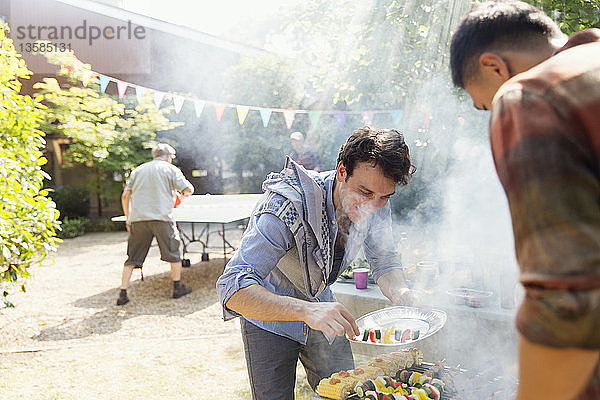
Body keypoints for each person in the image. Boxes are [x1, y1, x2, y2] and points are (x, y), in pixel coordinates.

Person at [450, 2, 600, 398]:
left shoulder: (530, 96)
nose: (492, 112)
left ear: (494, 66)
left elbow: (566, 298)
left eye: (485, 103)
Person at [217, 126, 419, 399]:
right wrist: (306, 311)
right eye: (365, 192)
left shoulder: (376, 199)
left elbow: (384, 261)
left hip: (322, 305)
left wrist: (401, 293)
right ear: (341, 171)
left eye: (384, 197)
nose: (373, 205)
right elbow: (232, 288)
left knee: (349, 391)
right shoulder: (287, 205)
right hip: (268, 314)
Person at [117, 143, 194, 306]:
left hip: (138, 220)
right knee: (174, 253)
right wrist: (178, 197)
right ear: (167, 157)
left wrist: (128, 218)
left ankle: (122, 293)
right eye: (171, 158)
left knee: (132, 258)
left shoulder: (138, 170)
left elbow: (125, 196)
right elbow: (189, 190)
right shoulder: (170, 169)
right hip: (162, 218)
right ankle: (177, 288)